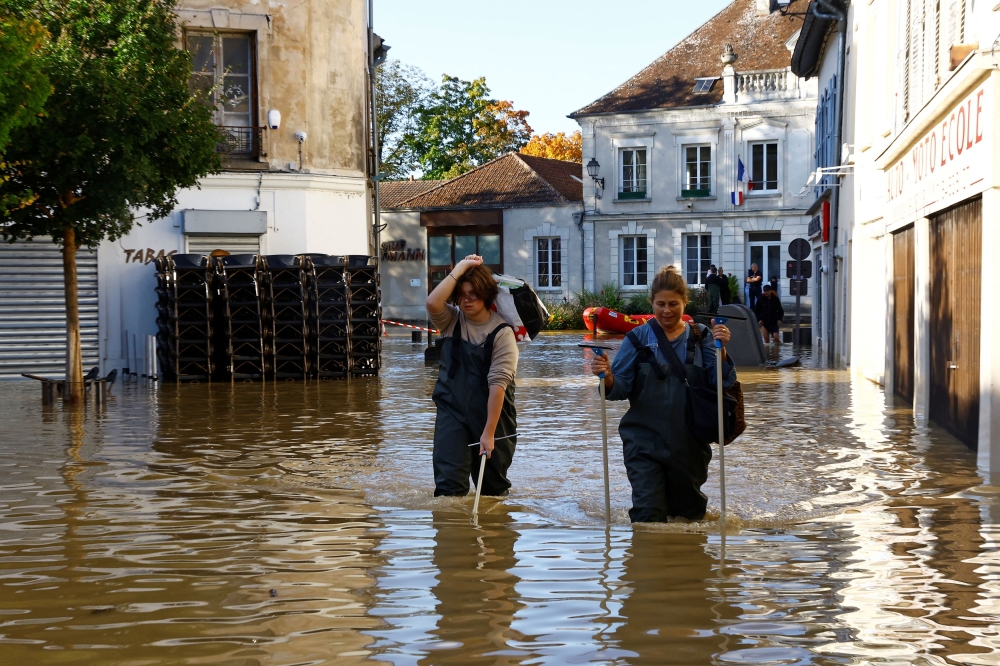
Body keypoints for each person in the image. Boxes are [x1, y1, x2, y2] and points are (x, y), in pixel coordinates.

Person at [590, 266, 736, 522]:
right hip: (643, 441)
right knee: (647, 513)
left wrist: (722, 350)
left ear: (685, 303)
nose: (666, 310)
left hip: (690, 444)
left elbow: (721, 382)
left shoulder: (703, 337)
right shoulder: (636, 338)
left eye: (673, 304)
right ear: (652, 303)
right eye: (660, 304)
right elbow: (619, 389)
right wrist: (608, 376)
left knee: (688, 515)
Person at [426, 254, 519, 497]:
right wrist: (460, 268)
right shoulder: (451, 321)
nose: (467, 301)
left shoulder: (503, 334)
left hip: (494, 418)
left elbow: (498, 385)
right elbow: (433, 303)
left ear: (486, 295)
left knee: (492, 492)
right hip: (451, 412)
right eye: (462, 295)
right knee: (448, 491)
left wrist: (488, 433)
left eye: (474, 294)